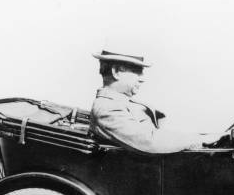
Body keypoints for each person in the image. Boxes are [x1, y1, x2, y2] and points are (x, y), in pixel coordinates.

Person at [89, 50, 225, 153]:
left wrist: (205, 136)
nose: (142, 79)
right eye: (137, 71)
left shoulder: (120, 104)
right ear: (117, 72)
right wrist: (201, 139)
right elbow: (149, 141)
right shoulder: (107, 108)